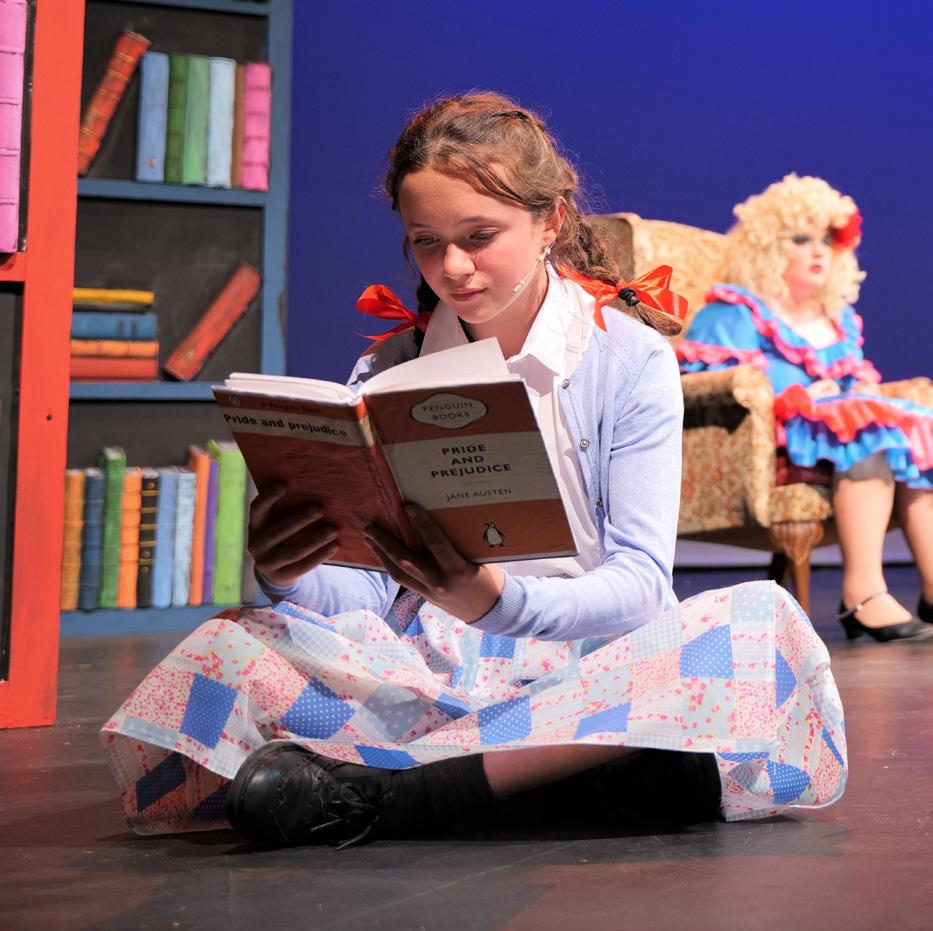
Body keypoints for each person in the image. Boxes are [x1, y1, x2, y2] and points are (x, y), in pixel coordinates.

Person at [102, 95, 847, 848]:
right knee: (230, 644)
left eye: (478, 237)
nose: (452, 267)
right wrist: (289, 570)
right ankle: (541, 778)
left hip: (589, 665)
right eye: (425, 242)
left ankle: (392, 795)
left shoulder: (628, 358)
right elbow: (365, 597)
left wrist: (495, 601)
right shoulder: (389, 367)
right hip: (424, 676)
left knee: (762, 625)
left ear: (550, 221)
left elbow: (641, 584)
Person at [679, 174, 933, 643]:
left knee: (912, 431)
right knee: (868, 431)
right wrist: (798, 397)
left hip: (831, 440)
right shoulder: (734, 312)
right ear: (769, 246)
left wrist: (853, 389)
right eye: (801, 239)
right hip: (770, 445)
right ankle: (863, 593)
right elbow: (706, 385)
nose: (819, 252)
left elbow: (853, 382)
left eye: (826, 241)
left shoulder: (834, 323)